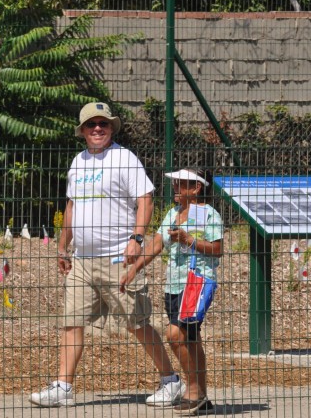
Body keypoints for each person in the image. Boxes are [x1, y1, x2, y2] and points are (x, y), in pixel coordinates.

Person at [29, 102, 185, 408]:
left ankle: (171, 381)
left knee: (135, 322)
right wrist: (64, 246)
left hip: (118, 259)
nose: (97, 129)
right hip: (83, 260)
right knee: (71, 322)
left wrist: (137, 239)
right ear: (83, 131)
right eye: (91, 125)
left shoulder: (124, 158)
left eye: (103, 124)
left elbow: (146, 200)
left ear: (112, 128)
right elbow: (72, 207)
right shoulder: (78, 162)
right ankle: (62, 386)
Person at [122, 168, 223, 415]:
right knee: (190, 338)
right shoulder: (173, 213)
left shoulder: (206, 214)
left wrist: (189, 240)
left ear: (197, 188)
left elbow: (218, 248)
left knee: (176, 335)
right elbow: (156, 244)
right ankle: (201, 395)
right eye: (175, 183)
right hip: (173, 286)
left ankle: (194, 388)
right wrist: (134, 269)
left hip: (195, 283)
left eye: (181, 183)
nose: (176, 187)